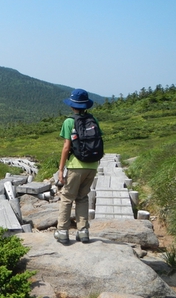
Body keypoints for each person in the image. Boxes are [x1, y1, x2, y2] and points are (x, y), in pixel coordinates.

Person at [54, 89, 101, 244]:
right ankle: (83, 231)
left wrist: (61, 169)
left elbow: (67, 147)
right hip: (93, 165)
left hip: (76, 165)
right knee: (82, 197)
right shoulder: (93, 119)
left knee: (67, 197)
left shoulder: (69, 121)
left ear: (72, 105)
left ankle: (62, 231)